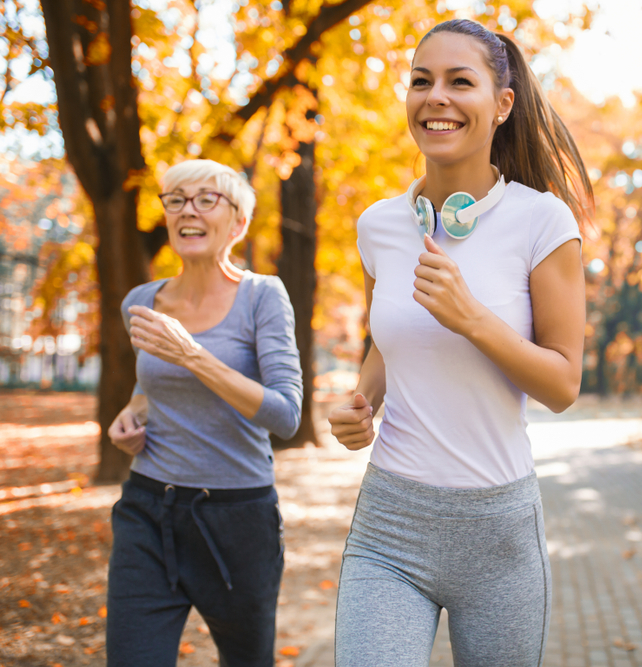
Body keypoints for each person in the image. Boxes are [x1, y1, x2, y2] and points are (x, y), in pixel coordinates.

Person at [327, 18, 592, 666]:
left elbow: (562, 384)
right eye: (421, 81)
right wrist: (361, 401)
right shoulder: (381, 226)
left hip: (497, 532)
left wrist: (473, 318)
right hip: (389, 520)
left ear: (501, 104)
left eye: (459, 81)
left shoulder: (541, 221)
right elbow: (393, 338)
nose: (435, 97)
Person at [105, 159, 303, 667]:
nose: (187, 210)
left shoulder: (262, 297)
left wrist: (193, 354)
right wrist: (133, 412)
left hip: (237, 517)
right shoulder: (141, 302)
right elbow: (150, 386)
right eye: (176, 199)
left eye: (205, 199)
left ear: (238, 223)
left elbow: (285, 415)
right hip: (148, 510)